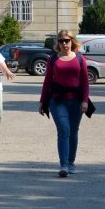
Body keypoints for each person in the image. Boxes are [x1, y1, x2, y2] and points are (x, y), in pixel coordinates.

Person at [39, 30, 89, 178]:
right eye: (61, 41)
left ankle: (71, 161)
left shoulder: (80, 58)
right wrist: (42, 102)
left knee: (73, 131)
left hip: (76, 100)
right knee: (64, 130)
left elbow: (85, 81)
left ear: (72, 41)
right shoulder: (53, 59)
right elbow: (47, 81)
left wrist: (85, 100)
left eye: (67, 40)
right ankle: (64, 165)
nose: (64, 43)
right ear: (58, 43)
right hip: (57, 100)